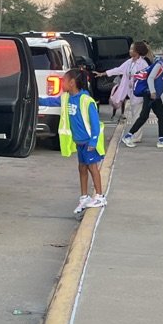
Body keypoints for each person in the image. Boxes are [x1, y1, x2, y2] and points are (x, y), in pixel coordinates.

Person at [39, 67, 106, 214]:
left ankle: (100, 196)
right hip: (79, 142)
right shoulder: (66, 98)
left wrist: (93, 142)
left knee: (92, 167)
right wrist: (36, 100)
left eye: (64, 81)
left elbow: (95, 123)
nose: (62, 83)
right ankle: (84, 197)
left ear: (72, 82)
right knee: (82, 167)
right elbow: (51, 101)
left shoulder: (86, 100)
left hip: (89, 142)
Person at [121, 47, 163, 149]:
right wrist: (153, 91)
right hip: (151, 94)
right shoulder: (160, 64)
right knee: (144, 116)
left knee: (161, 115)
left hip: (155, 96)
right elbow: (150, 78)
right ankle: (128, 136)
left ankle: (161, 139)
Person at [96, 41, 152, 130]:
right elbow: (118, 70)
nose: (129, 51)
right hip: (131, 92)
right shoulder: (130, 62)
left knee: (137, 115)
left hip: (139, 93)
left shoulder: (143, 64)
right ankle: (134, 135)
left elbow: (145, 78)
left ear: (137, 51)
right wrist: (103, 74)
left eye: (131, 49)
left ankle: (134, 136)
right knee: (135, 114)